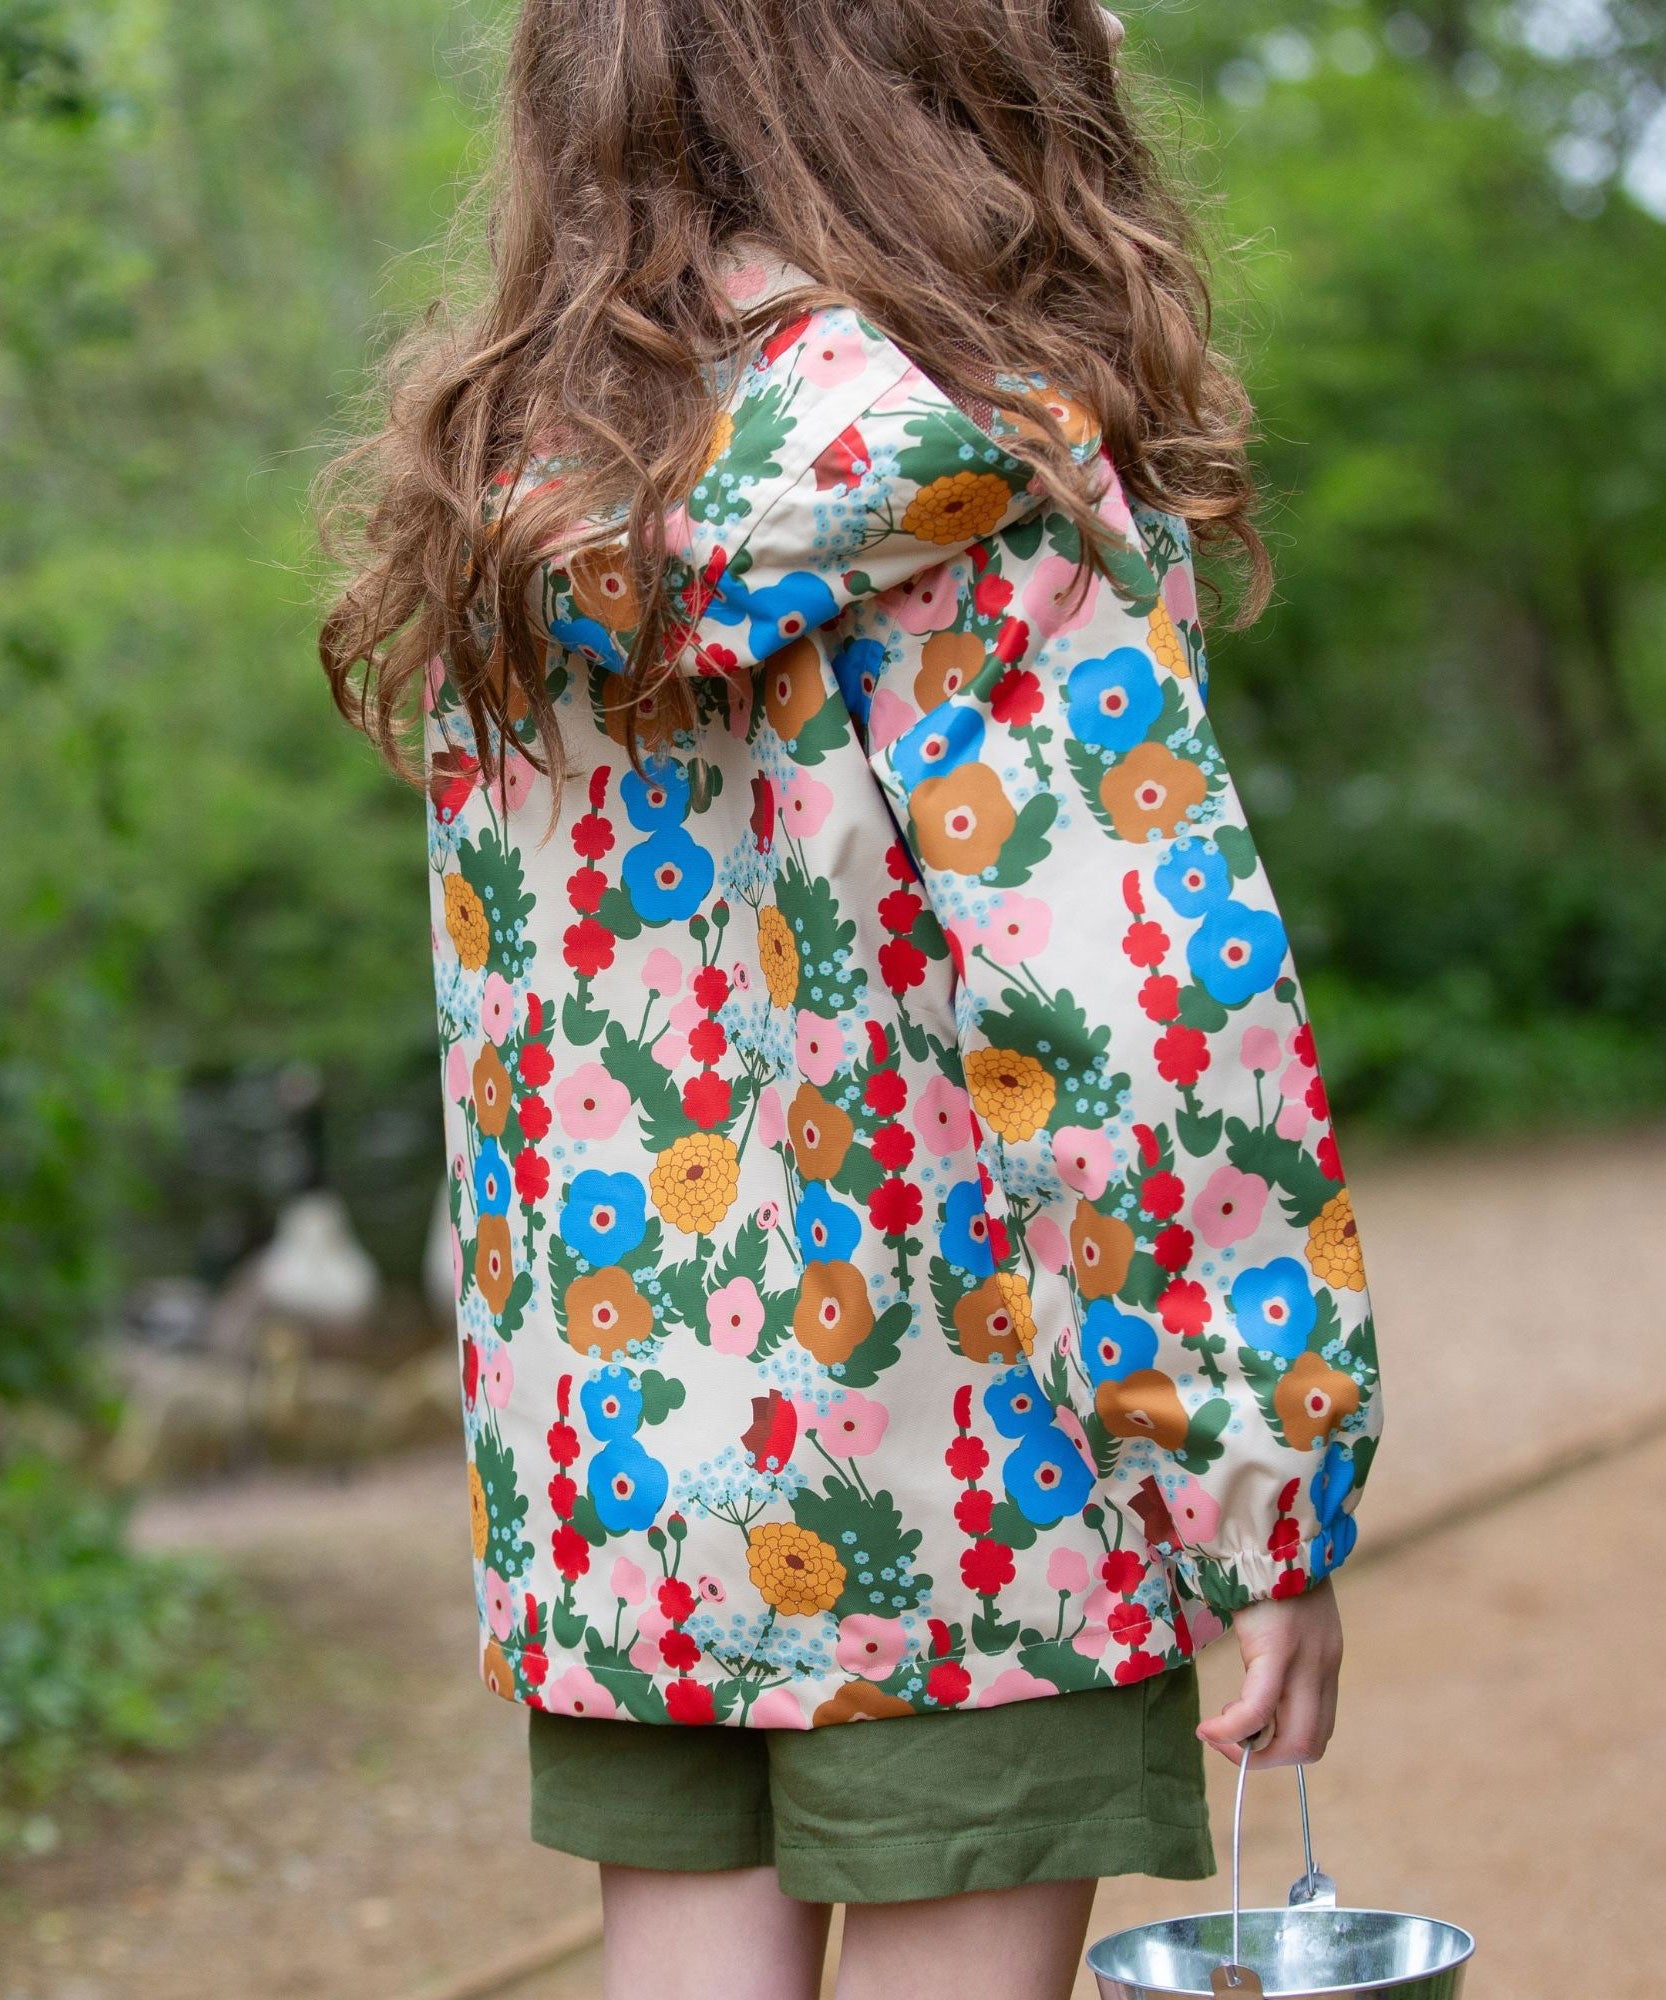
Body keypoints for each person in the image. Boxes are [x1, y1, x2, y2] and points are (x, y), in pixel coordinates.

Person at [317, 4, 1382, 1995]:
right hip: (970, 1462)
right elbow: (1139, 1010)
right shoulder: (978, 478)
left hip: (636, 1469)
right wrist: (1260, 1467)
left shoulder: (522, 501)